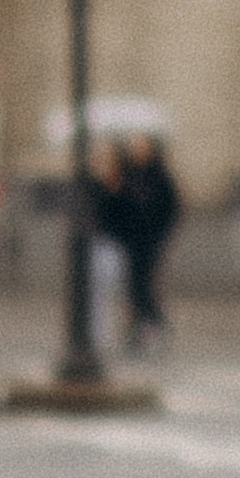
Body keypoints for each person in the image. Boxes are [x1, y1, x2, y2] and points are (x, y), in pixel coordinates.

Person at [98, 129, 182, 346]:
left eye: (142, 147)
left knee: (141, 284)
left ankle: (153, 320)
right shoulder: (126, 176)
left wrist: (159, 233)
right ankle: (141, 324)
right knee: (132, 285)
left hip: (149, 241)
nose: (138, 151)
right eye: (135, 147)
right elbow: (114, 208)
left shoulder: (160, 178)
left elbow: (171, 209)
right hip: (128, 240)